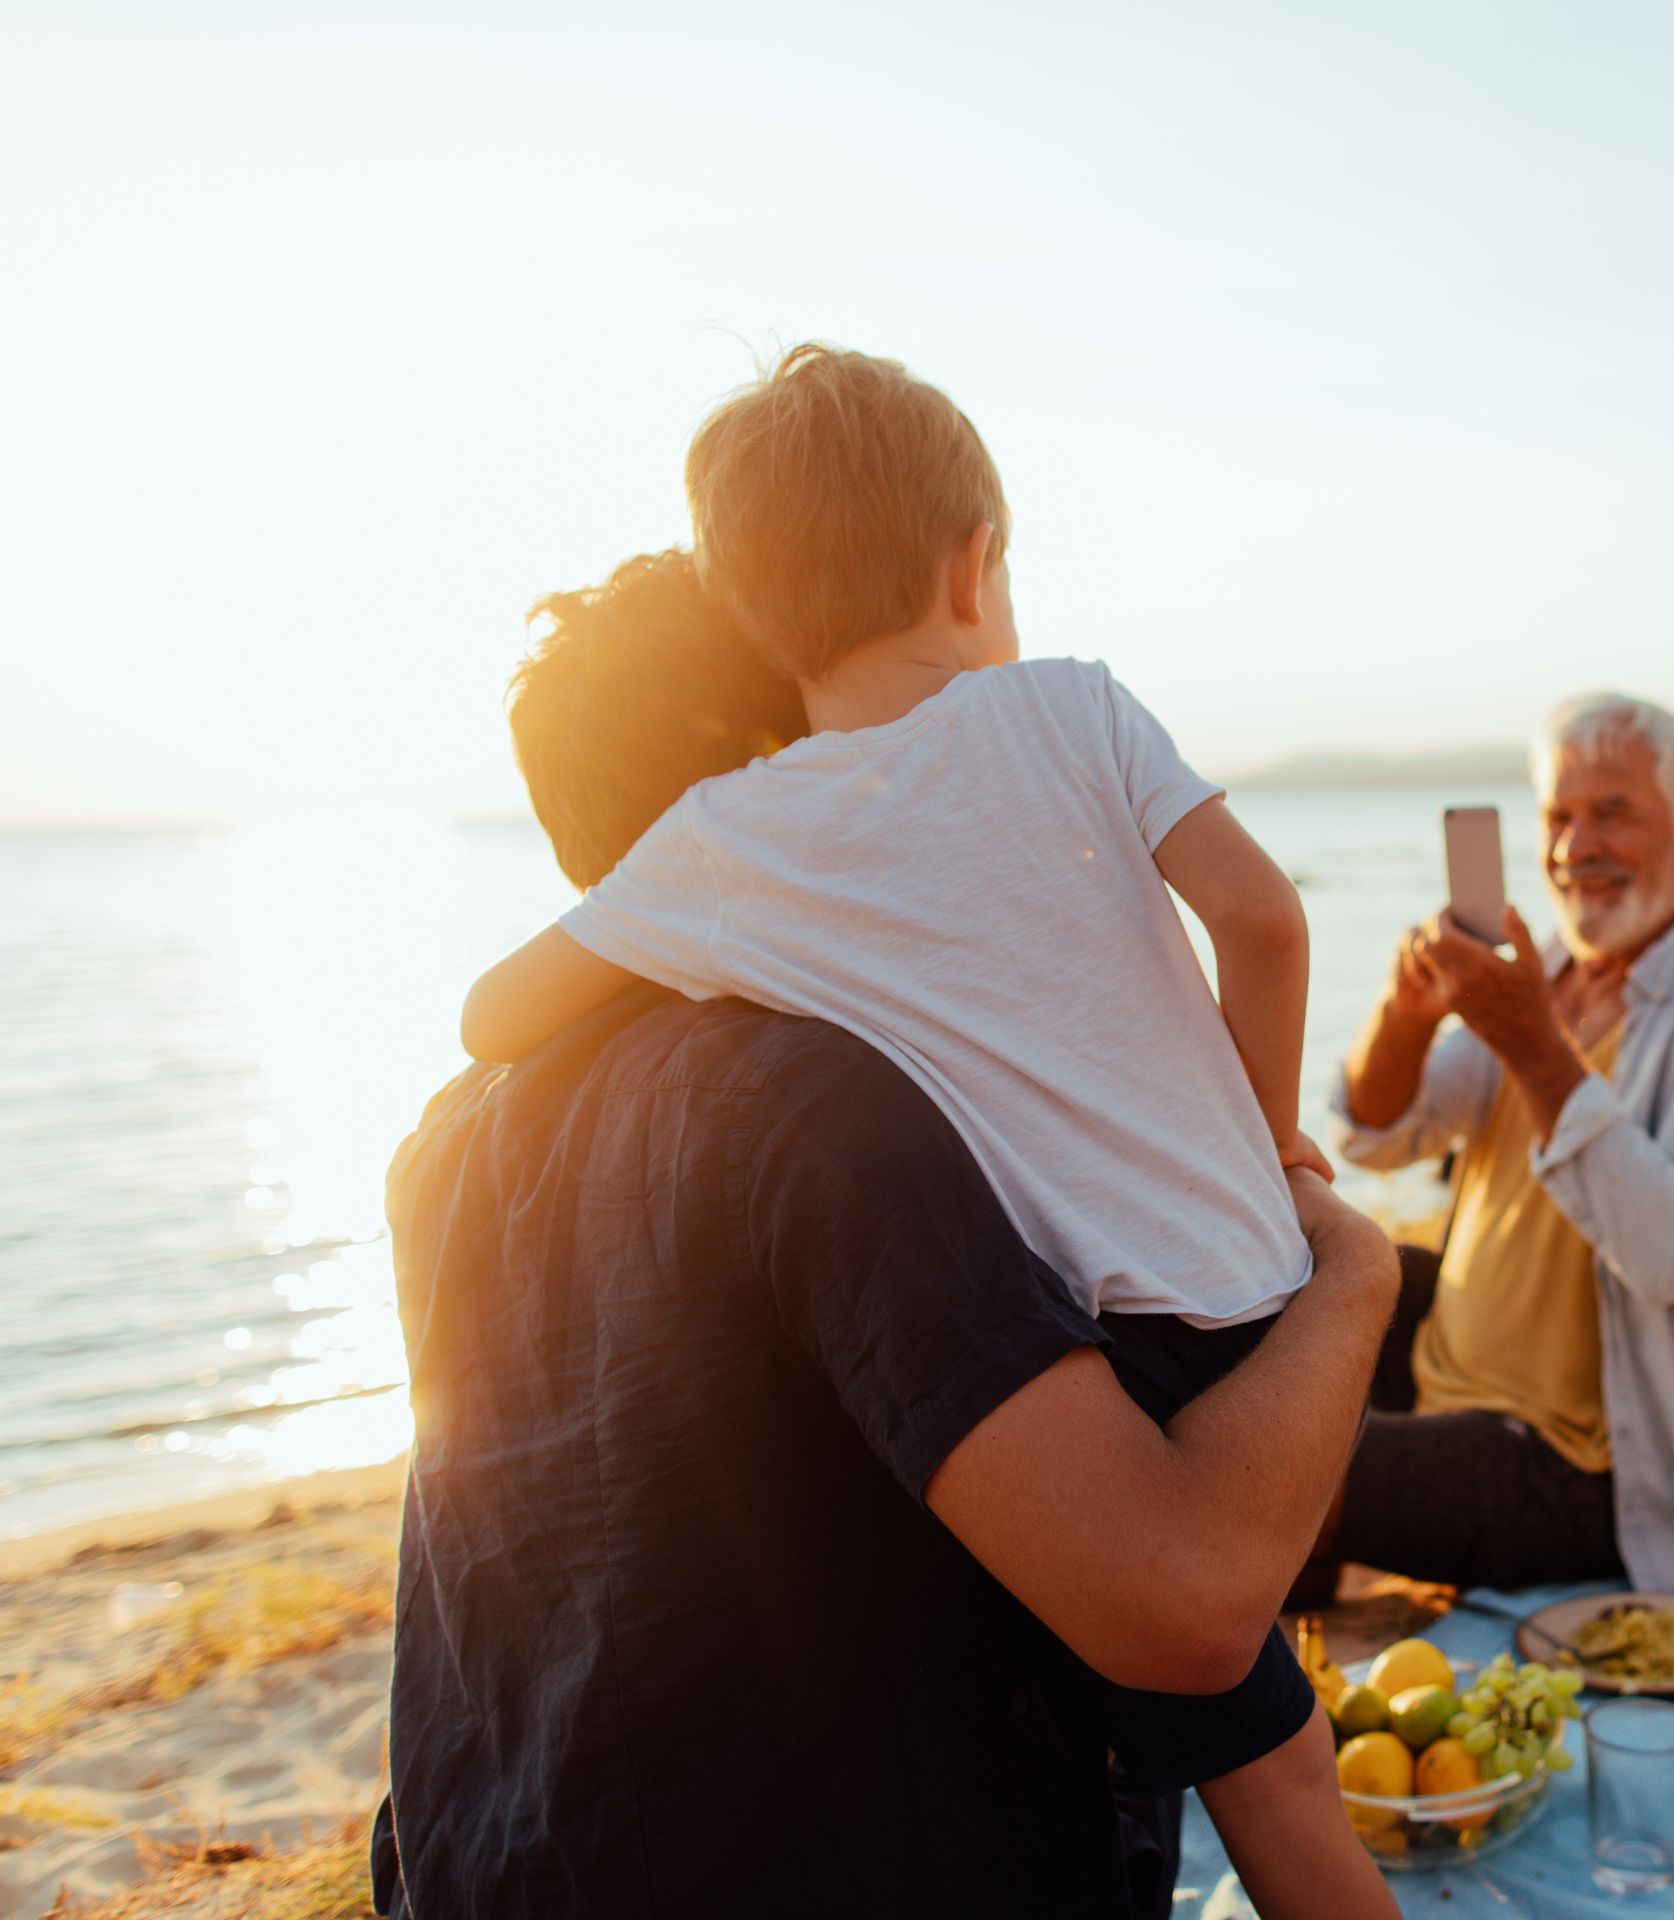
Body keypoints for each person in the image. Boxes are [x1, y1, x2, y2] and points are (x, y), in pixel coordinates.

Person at [449, 347, 1390, 1919]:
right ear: (977, 562)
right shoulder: (1075, 708)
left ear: (748, 611)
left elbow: (493, 1014)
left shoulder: (726, 849)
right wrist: (1268, 1149)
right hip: (1245, 1301)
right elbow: (1266, 923)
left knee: (1214, 1727)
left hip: (1084, 1346)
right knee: (1277, 1760)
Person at [1322, 693, 1674, 1594]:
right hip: (1454, 1368)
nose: (1571, 846)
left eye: (1613, 813)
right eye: (1558, 817)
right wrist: (1405, 1016)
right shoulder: (1544, 976)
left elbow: (1672, 1249)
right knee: (1271, 1307)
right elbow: (1375, 1135)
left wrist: (1531, 1042)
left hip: (1590, 1470)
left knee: (1267, 1475)